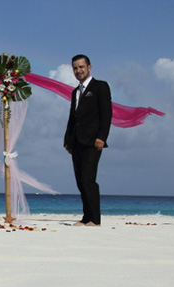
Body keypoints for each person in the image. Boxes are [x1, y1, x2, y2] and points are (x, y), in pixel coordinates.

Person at [64, 54, 112, 226]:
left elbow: (107, 114)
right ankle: (86, 217)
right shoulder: (75, 92)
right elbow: (72, 118)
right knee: (80, 181)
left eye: (81, 67)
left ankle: (95, 219)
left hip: (93, 141)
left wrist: (102, 136)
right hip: (76, 142)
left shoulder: (100, 87)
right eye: (75, 68)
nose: (78, 70)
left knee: (88, 179)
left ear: (89, 67)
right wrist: (67, 140)